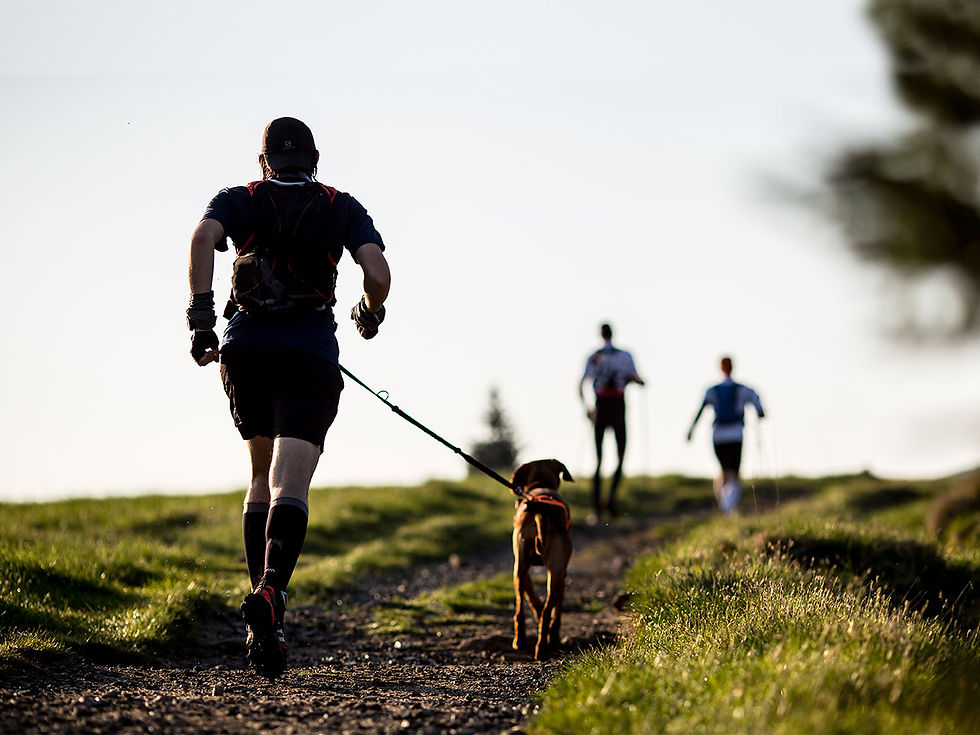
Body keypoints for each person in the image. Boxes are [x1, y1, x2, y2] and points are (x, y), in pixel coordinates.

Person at [186, 117, 391, 678]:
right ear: (315, 161)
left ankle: (264, 622)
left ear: (264, 161)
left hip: (245, 349)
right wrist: (368, 313)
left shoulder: (240, 198)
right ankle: (273, 590)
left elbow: (202, 239)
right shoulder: (340, 206)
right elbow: (377, 272)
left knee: (260, 476)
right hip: (309, 354)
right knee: (290, 483)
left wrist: (201, 319)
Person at [578, 323, 645, 519]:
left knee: (598, 459)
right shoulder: (625, 356)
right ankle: (610, 498)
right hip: (617, 405)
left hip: (601, 405)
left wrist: (587, 408)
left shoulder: (594, 356)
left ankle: (598, 507)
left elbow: (581, 384)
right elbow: (635, 378)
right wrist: (638, 382)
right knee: (620, 454)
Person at [686, 356, 765, 515]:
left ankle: (725, 505)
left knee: (724, 470)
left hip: (718, 435)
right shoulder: (744, 389)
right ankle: (729, 507)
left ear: (721, 368)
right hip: (735, 433)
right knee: (734, 472)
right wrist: (759, 414)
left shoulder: (712, 390)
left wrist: (691, 430)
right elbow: (760, 409)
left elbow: (700, 411)